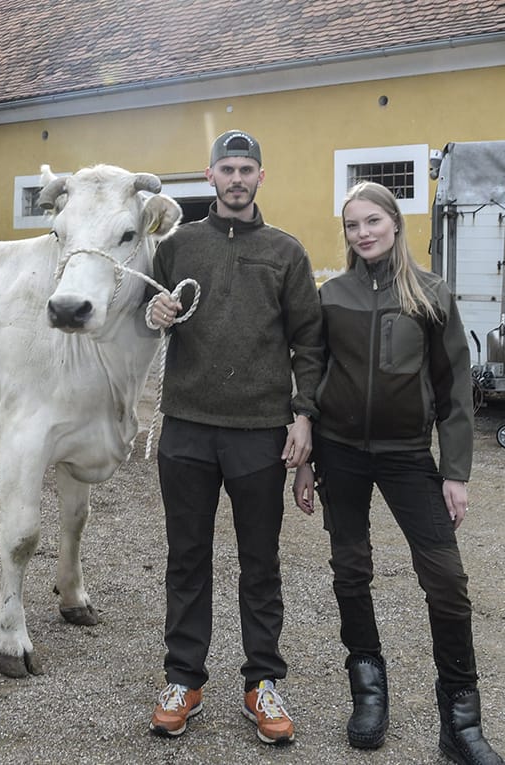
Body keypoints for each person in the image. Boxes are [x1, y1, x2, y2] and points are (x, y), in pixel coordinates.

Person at [293, 181, 505, 763]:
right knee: (350, 568)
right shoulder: (331, 295)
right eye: (352, 226)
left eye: (372, 222)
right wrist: (306, 457)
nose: (362, 234)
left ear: (394, 223)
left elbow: (454, 388)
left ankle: (460, 722)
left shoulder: (431, 295)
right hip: (340, 452)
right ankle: (368, 693)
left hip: (409, 454)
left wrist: (454, 470)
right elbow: (311, 372)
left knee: (446, 579)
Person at [145, 129, 323, 745]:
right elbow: (143, 313)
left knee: (260, 562)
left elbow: (310, 343)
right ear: (210, 176)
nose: (238, 178)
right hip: (188, 427)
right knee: (186, 557)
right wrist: (153, 314)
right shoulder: (177, 247)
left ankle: (262, 682)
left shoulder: (285, 252)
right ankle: (183, 679)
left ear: (260, 178)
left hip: (258, 432)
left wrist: (302, 416)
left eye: (248, 168)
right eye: (228, 168)